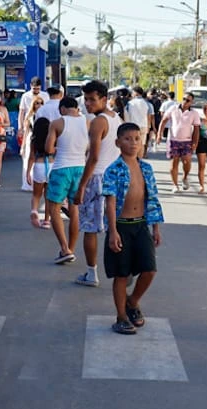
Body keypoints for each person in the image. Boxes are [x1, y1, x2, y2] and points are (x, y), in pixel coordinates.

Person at [102, 123, 164, 335]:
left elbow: (153, 198)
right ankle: (120, 316)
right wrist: (112, 231)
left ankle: (132, 302)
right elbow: (109, 202)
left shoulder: (146, 168)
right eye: (128, 139)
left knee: (149, 269)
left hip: (141, 225)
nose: (133, 143)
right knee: (121, 274)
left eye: (137, 138)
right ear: (118, 143)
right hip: (121, 226)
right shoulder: (113, 170)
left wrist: (156, 228)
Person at [73, 80, 122, 287]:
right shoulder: (116, 118)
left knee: (90, 228)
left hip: (97, 177)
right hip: (115, 177)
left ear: (104, 99)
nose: (87, 103)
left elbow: (93, 158)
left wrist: (82, 186)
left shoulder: (98, 122)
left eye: (92, 99)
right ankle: (122, 271)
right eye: (85, 99)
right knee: (115, 227)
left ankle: (92, 273)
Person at [45, 96, 87, 264]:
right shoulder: (87, 122)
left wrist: (59, 147)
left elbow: (48, 149)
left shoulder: (57, 123)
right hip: (81, 168)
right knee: (74, 209)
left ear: (62, 109)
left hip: (61, 168)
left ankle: (64, 248)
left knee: (54, 208)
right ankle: (71, 248)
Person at [156, 92, 200, 193]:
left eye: (188, 100)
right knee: (174, 163)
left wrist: (195, 142)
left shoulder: (194, 113)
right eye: (184, 99)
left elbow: (197, 128)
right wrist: (159, 134)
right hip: (173, 140)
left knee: (187, 162)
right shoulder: (173, 108)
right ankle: (175, 185)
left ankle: (185, 177)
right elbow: (163, 121)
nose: (185, 101)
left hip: (187, 141)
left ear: (191, 102)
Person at [26, 116, 53, 229]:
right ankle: (47, 220)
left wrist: (28, 172)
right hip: (51, 164)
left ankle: (34, 210)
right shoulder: (52, 138)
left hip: (39, 165)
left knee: (36, 194)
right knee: (48, 196)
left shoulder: (34, 140)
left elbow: (31, 157)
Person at [124, 86, 153, 159]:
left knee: (132, 144)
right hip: (144, 126)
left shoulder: (130, 103)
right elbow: (149, 116)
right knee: (142, 144)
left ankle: (133, 160)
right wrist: (148, 126)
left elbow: (126, 116)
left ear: (135, 93)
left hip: (132, 126)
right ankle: (140, 160)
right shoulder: (147, 103)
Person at [18, 76, 49, 141]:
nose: (36, 91)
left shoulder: (45, 96)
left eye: (38, 89)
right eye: (34, 89)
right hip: (28, 124)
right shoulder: (25, 96)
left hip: (41, 123)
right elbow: (21, 112)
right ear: (30, 86)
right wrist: (20, 127)